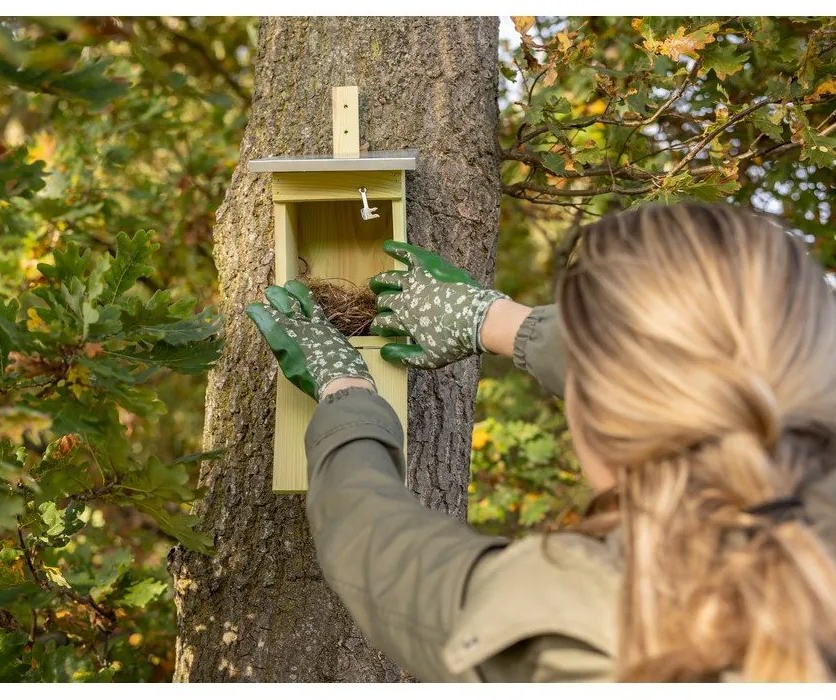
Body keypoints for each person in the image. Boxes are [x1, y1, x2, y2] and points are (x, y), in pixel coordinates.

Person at [245, 201, 836, 682]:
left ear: (596, 415)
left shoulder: (574, 619)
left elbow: (370, 542)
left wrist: (344, 387)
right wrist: (499, 322)